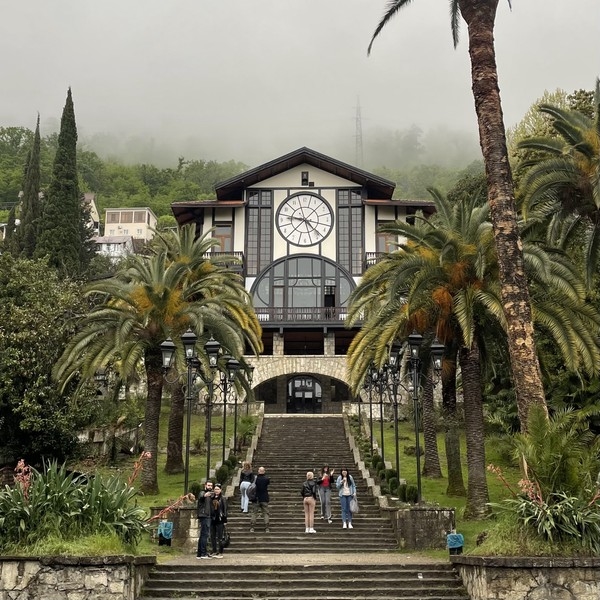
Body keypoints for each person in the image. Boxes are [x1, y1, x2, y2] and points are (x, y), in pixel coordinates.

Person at [196, 479, 214, 559]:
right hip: (204, 515)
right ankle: (203, 553)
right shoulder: (202, 492)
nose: (210, 487)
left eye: (211, 485)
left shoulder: (210, 495)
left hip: (207, 515)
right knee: (204, 535)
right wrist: (205, 495)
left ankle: (200, 554)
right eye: (208, 485)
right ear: (205, 485)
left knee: (203, 535)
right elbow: (201, 496)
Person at [209, 483, 228, 558]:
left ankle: (220, 552)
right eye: (215, 489)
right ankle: (214, 551)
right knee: (212, 536)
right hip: (212, 519)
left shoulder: (223, 498)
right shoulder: (212, 497)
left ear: (220, 490)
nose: (216, 490)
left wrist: (225, 520)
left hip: (220, 519)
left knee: (220, 536)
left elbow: (225, 509)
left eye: (218, 489)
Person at [250, 466, 270, 533]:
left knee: (254, 513)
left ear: (258, 471)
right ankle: (267, 527)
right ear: (264, 471)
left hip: (256, 498)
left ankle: (252, 527)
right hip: (264, 498)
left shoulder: (255, 478)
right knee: (266, 513)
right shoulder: (267, 479)